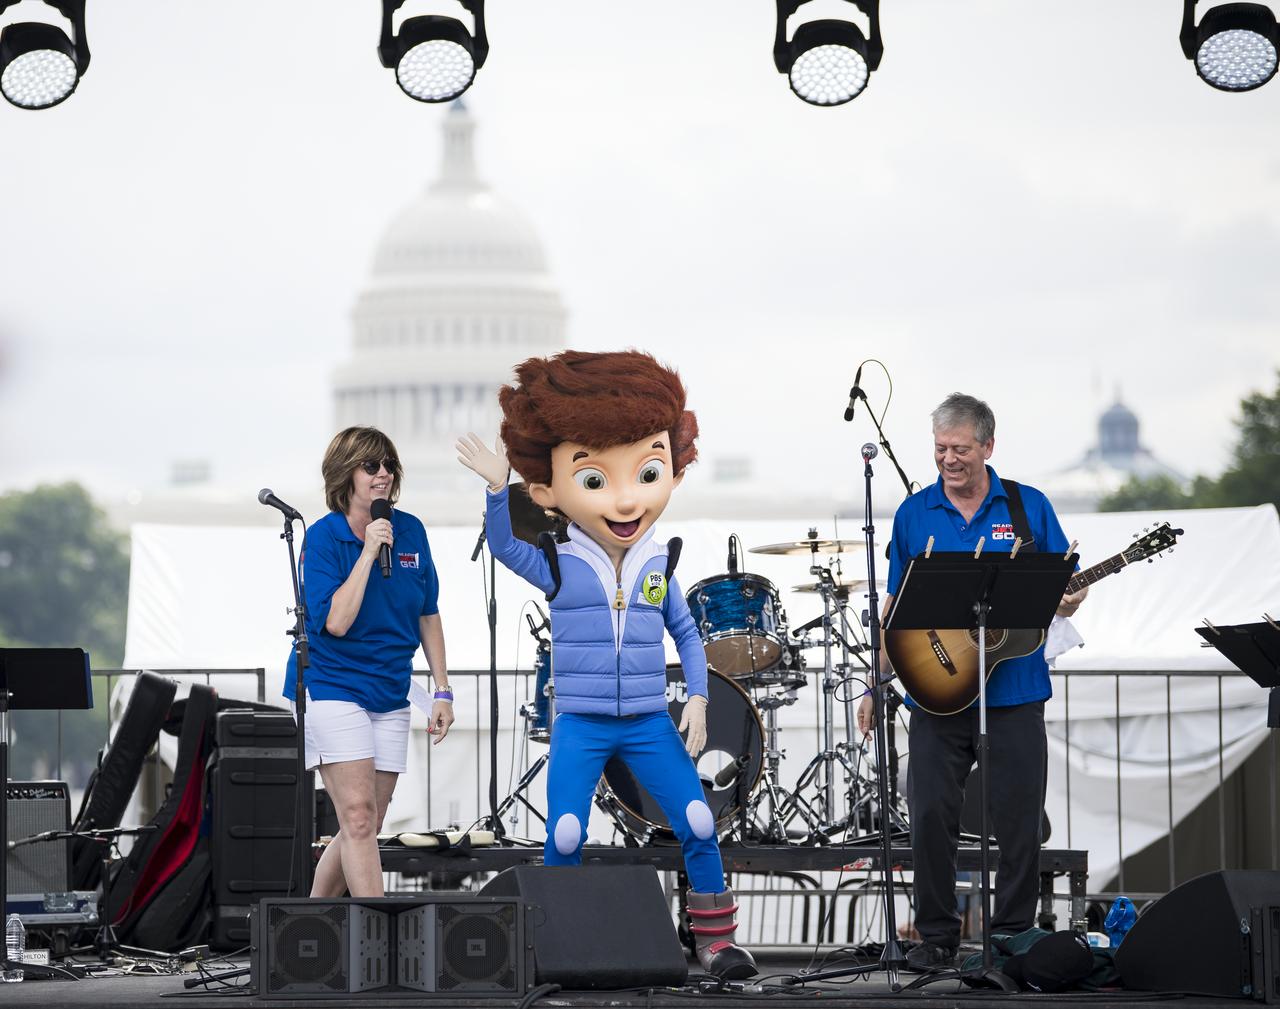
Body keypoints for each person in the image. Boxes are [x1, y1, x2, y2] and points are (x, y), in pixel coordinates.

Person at [456, 350, 756, 980]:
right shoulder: (558, 560)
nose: (623, 499)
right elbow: (506, 546)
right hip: (582, 722)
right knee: (563, 835)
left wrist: (697, 697)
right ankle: (560, 945)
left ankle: (717, 943)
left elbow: (687, 633)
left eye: (647, 470)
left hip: (648, 720)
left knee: (699, 820)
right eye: (595, 479)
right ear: (548, 489)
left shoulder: (659, 563)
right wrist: (493, 490)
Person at [856, 393, 1087, 972]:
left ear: (988, 445)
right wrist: (874, 679)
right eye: (939, 449)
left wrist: (1070, 598)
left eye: (960, 449)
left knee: (1019, 818)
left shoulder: (1029, 507)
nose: (949, 460)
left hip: (1015, 691)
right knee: (929, 810)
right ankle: (935, 937)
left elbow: (1066, 591)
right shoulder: (914, 513)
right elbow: (895, 607)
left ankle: (1011, 933)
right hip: (935, 693)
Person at [284, 426, 454, 898]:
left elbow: (428, 612)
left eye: (389, 466)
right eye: (371, 466)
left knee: (367, 821)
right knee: (356, 815)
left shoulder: (413, 530)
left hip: (391, 689)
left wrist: (442, 689)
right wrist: (368, 551)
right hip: (335, 685)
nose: (383, 475)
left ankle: (313, 921)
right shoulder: (322, 539)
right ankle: (375, 933)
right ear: (346, 474)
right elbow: (336, 621)